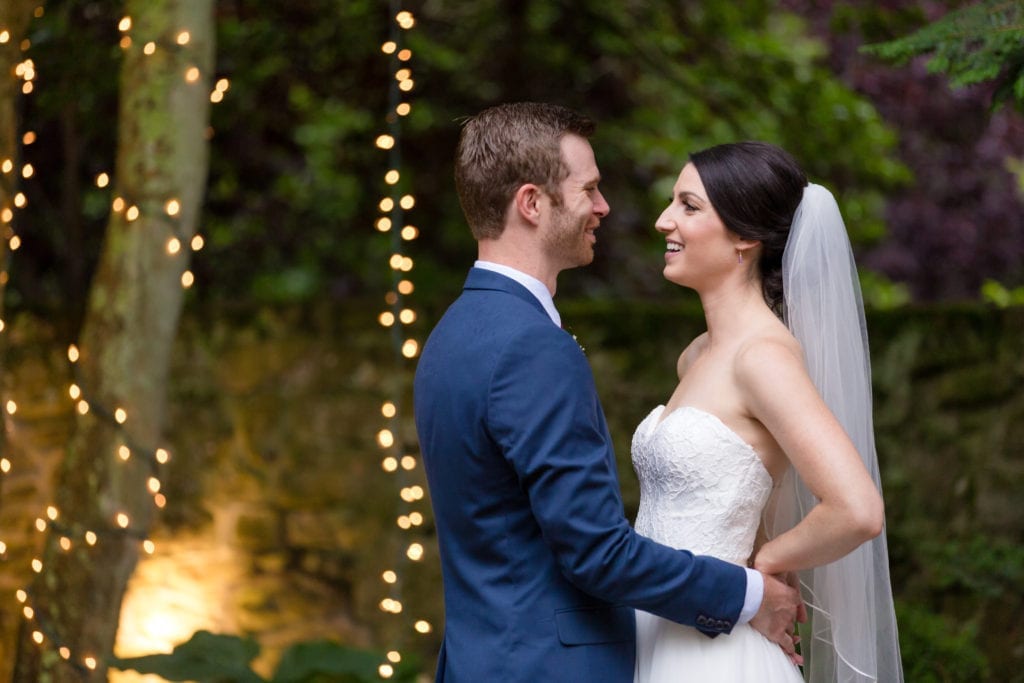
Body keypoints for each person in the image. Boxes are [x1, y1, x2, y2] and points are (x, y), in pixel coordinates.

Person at [413, 104, 802, 683]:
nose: (604, 207)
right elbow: (596, 552)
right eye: (589, 189)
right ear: (532, 204)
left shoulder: (449, 337)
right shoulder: (533, 348)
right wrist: (750, 594)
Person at [632, 141, 903, 682]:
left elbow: (857, 509)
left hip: (713, 655)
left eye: (689, 206)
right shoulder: (698, 355)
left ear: (744, 237)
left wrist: (759, 573)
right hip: (652, 628)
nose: (665, 221)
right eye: (671, 203)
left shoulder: (764, 358)